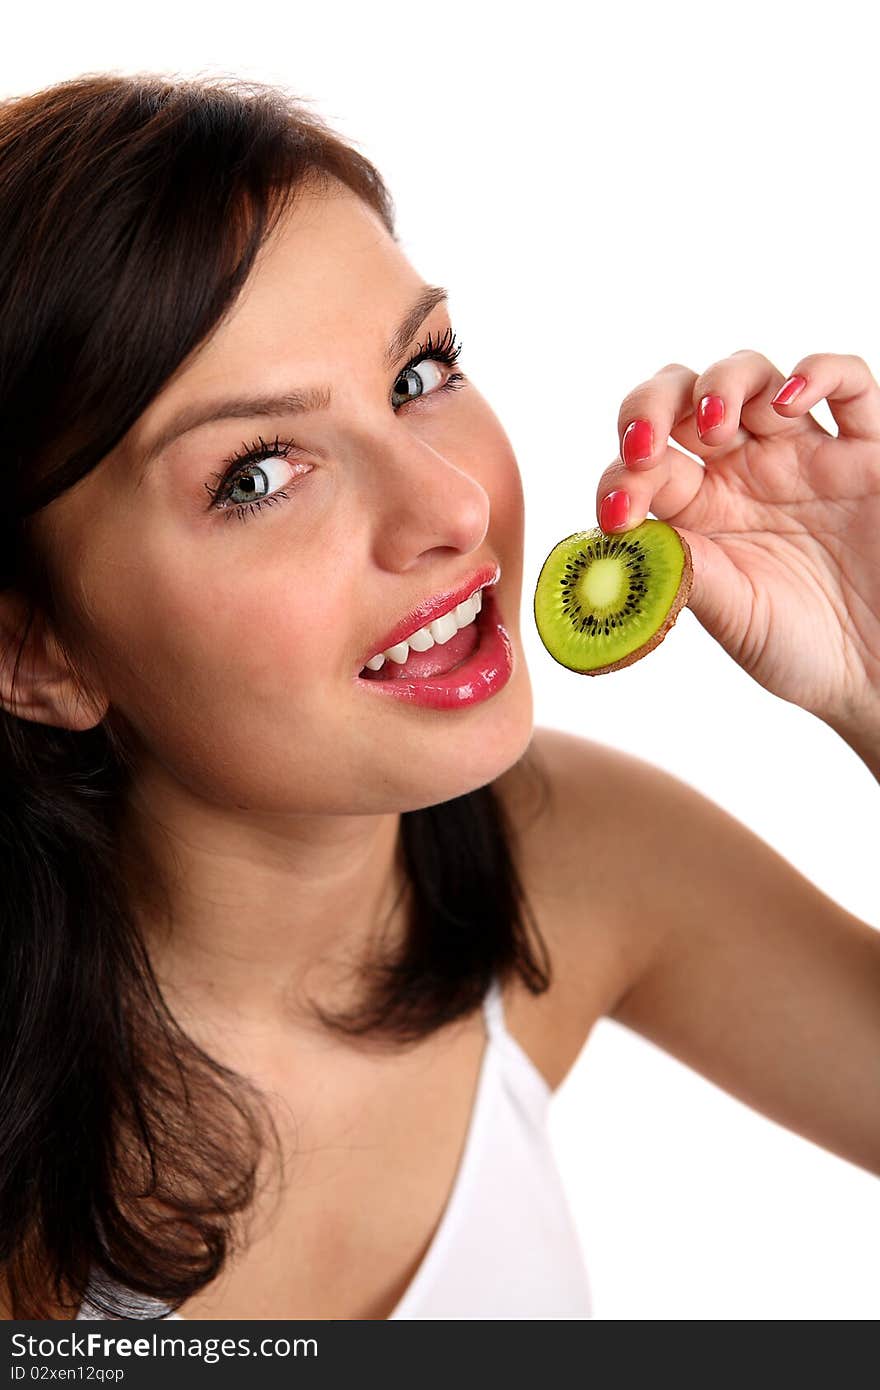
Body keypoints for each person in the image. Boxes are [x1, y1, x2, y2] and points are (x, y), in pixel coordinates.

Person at [0, 71, 877, 1324]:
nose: (453, 508)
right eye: (256, 473)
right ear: (32, 649)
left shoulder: (570, 857)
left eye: (419, 374)